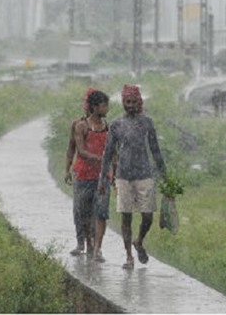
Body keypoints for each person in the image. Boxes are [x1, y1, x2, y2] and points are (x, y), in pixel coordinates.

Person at [99, 84, 167, 269]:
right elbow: (108, 153)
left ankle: (139, 241)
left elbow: (155, 150)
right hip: (123, 175)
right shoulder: (116, 124)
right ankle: (129, 256)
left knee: (147, 216)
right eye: (127, 102)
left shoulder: (146, 122)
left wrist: (165, 176)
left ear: (139, 102)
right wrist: (102, 180)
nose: (130, 105)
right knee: (126, 217)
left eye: (133, 102)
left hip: (144, 173)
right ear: (123, 102)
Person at [68, 89, 110, 257]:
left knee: (100, 213)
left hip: (102, 177)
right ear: (94, 107)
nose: (107, 109)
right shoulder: (80, 125)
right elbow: (79, 150)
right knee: (82, 212)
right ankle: (85, 243)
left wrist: (113, 170)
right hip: (84, 175)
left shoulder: (109, 127)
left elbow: (113, 151)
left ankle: (96, 247)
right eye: (104, 105)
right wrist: (67, 168)